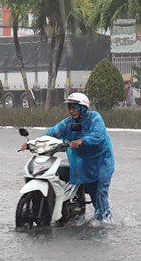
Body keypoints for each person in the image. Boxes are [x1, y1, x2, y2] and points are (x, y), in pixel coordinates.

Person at [21, 92, 115, 222]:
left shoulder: (95, 118)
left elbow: (97, 135)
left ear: (83, 108)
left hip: (101, 161)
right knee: (92, 192)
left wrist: (81, 141)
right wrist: (32, 143)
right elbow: (51, 134)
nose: (71, 111)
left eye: (74, 108)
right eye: (69, 108)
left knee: (100, 193)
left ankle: (104, 221)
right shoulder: (67, 124)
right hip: (84, 162)